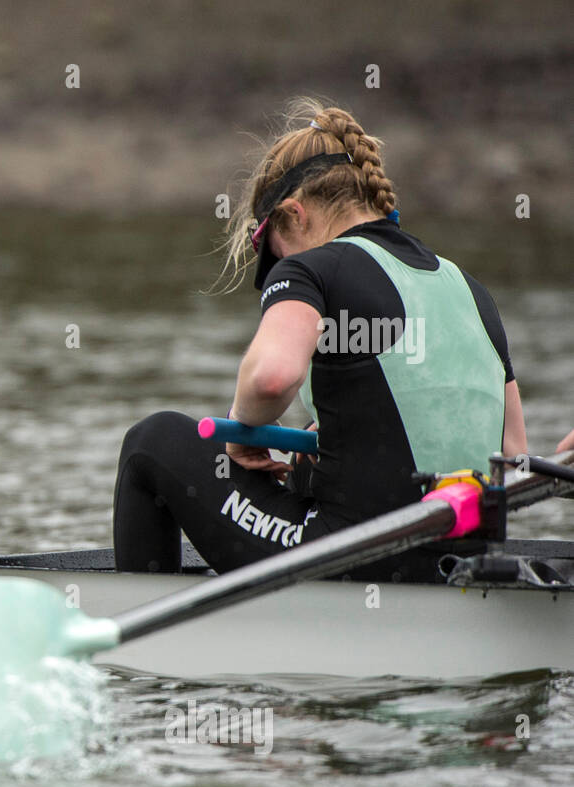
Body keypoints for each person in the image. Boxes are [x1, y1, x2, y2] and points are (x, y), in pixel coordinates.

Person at [113, 101, 528, 581]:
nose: (276, 265)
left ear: (295, 214)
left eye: (270, 252)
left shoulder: (311, 268)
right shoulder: (470, 289)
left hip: (354, 554)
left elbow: (271, 379)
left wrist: (241, 431)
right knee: (313, 460)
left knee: (152, 441)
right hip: (465, 557)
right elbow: (512, 454)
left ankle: (139, 637)